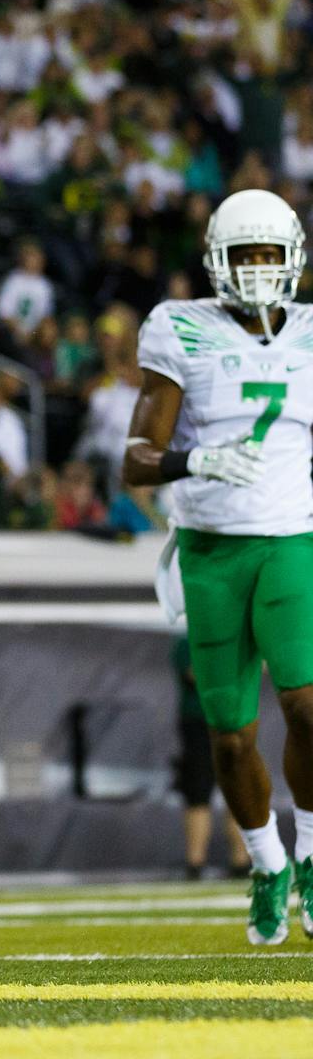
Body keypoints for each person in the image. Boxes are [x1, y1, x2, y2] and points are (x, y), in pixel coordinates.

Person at [124, 188, 313, 946]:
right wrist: (196, 457)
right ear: (217, 263)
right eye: (247, 256)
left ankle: (311, 855)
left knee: (305, 705)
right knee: (230, 737)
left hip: (292, 537)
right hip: (209, 546)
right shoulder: (181, 330)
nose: (262, 271)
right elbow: (134, 460)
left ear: (293, 258)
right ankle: (266, 862)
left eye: (273, 255)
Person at [171, 634, 252, 881]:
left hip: (235, 719)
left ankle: (241, 861)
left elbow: (259, 667)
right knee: (198, 791)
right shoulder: (188, 641)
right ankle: (195, 862)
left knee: (239, 792)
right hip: (200, 722)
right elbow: (196, 674)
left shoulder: (238, 639)